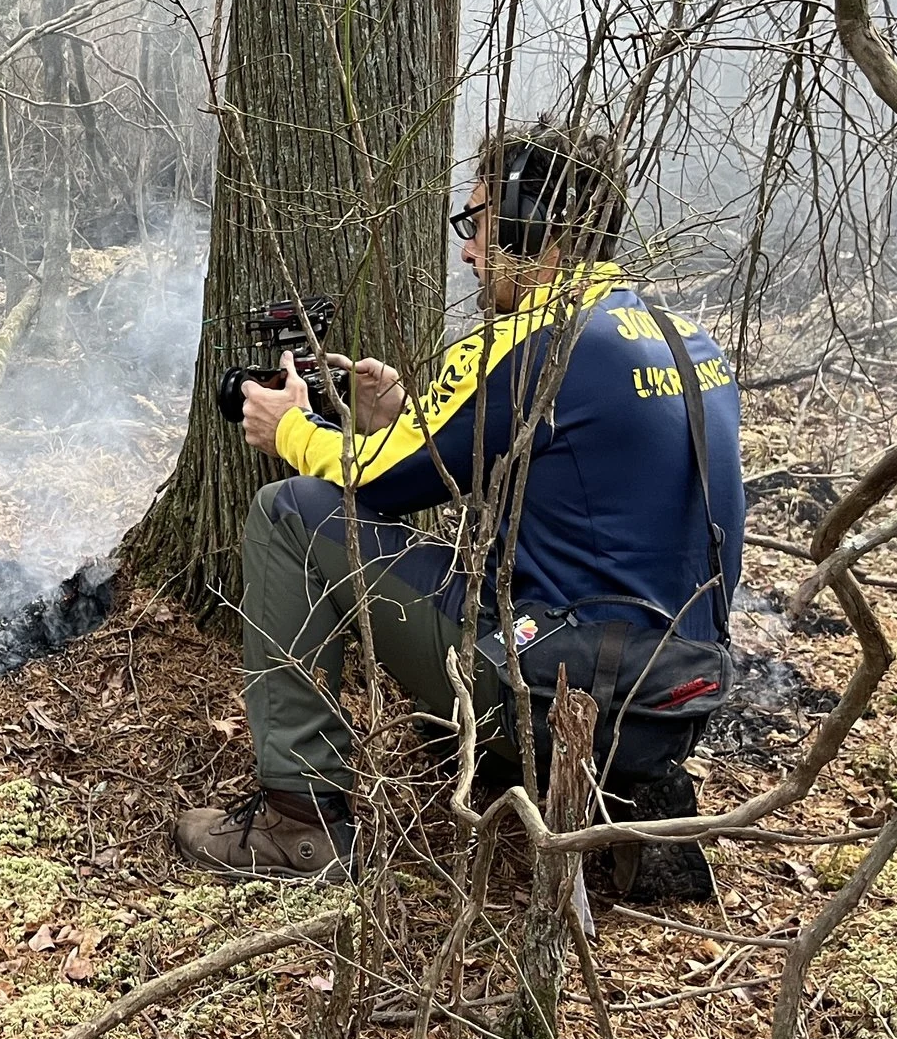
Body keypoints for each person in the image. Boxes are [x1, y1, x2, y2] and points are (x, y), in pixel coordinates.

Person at [172, 119, 745, 884]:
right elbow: (556, 477)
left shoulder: (537, 340)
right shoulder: (682, 338)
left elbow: (377, 487)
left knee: (290, 511)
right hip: (671, 701)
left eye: (477, 224)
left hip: (559, 696)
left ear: (534, 227)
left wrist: (293, 428)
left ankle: (297, 823)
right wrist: (400, 415)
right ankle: (631, 801)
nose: (469, 251)